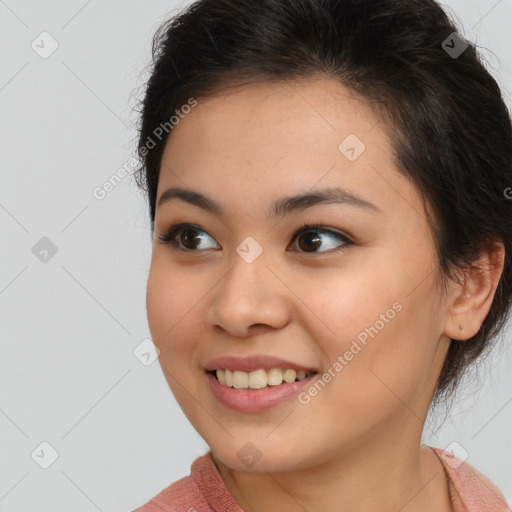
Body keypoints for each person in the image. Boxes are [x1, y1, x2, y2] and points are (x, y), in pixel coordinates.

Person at [132, 0, 512, 510]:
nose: (237, 309)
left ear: (470, 283)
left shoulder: (474, 498)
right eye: (192, 237)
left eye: (315, 239)